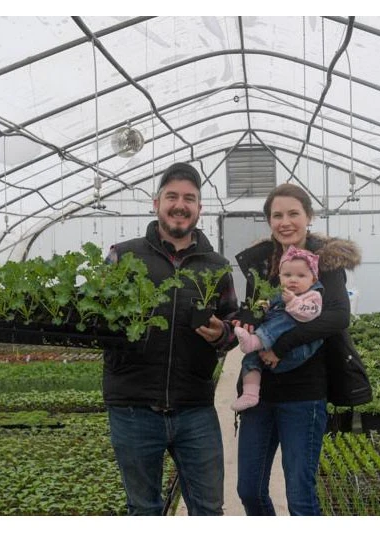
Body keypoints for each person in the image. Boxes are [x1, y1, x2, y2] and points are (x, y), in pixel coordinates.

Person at [103, 162, 238, 516]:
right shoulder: (122, 255)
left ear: (199, 208)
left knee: (209, 508)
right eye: (172, 196)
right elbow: (96, 318)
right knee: (143, 509)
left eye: (189, 198)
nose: (181, 205)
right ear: (156, 202)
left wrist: (222, 333)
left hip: (194, 406)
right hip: (133, 405)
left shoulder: (217, 266)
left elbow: (232, 325)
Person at [232, 183, 361, 516]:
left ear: (309, 217)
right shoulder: (262, 264)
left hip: (304, 394)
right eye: (277, 215)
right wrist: (245, 320)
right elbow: (254, 310)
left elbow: (337, 316)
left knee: (300, 495)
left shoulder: (326, 261)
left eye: (293, 213)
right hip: (260, 394)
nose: (284, 221)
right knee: (249, 489)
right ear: (269, 221)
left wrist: (282, 343)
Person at [231, 245, 324, 412]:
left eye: (301, 275)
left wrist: (293, 302)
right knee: (250, 359)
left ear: (313, 279)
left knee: (284, 318)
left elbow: (310, 314)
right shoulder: (280, 292)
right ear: (280, 276)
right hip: (269, 349)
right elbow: (265, 302)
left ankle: (255, 341)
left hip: (294, 354)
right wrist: (254, 313)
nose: (293, 280)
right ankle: (250, 394)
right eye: (287, 275)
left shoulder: (313, 295)